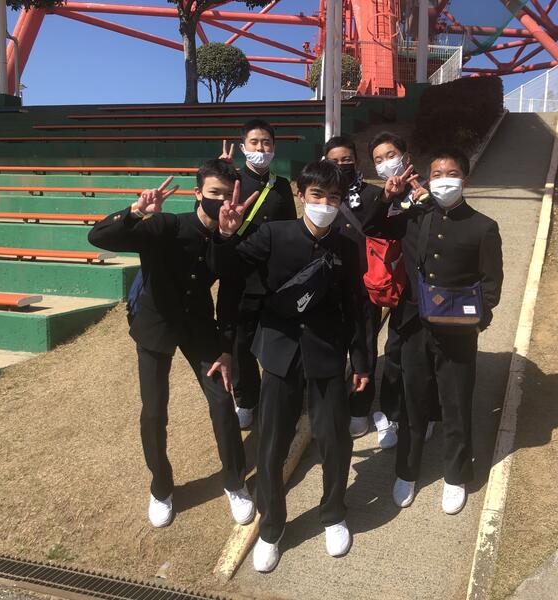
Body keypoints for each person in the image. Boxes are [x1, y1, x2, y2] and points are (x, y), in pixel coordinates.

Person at [213, 159, 372, 573]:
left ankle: (333, 513)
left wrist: (361, 359)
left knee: (334, 439)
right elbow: (229, 271)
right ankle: (272, 527)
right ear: (300, 195)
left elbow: (357, 304)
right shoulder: (272, 234)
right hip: (280, 352)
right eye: (317, 195)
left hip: (326, 353)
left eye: (333, 198)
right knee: (271, 446)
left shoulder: (347, 244)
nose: (325, 204)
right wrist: (226, 235)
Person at [87, 160, 258, 529]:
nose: (221, 201)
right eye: (213, 193)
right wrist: (135, 212)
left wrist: (226, 347)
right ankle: (161, 487)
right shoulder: (167, 225)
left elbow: (231, 294)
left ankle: (235, 481)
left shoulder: (229, 236)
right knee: (153, 411)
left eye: (227, 195)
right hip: (156, 325)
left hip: (199, 326)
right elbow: (98, 237)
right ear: (198, 193)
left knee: (221, 401)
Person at [364, 147, 504, 515]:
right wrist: (388, 197)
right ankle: (406, 471)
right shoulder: (414, 216)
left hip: (458, 333)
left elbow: (491, 283)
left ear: (465, 180)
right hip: (414, 326)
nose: (444, 180)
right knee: (413, 401)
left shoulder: (483, 226)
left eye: (451, 173)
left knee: (456, 403)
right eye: (437, 174)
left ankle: (456, 474)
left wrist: (477, 320)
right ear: (427, 179)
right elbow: (373, 227)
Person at [217, 119, 297, 430]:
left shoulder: (281, 186)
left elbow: (290, 229)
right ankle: (246, 399)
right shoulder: (230, 180)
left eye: (266, 143)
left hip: (273, 277)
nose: (261, 148)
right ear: (242, 147)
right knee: (241, 342)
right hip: (239, 274)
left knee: (278, 339)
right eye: (254, 142)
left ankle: (279, 397)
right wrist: (220, 172)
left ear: (274, 147)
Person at [322, 135, 401, 446]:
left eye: (347, 159)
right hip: (330, 285)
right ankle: (331, 403)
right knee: (330, 344)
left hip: (366, 285)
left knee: (364, 345)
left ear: (356, 160)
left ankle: (359, 407)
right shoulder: (322, 196)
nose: (342, 165)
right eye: (334, 160)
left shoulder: (374, 194)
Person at [367, 131, 440, 444]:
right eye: (378, 160)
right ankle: (391, 414)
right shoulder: (386, 195)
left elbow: (447, 230)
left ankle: (431, 413)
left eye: (390, 155)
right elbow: (372, 228)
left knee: (431, 354)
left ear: (406, 156)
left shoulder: (431, 188)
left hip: (435, 290)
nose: (386, 163)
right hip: (404, 291)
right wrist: (386, 198)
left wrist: (426, 201)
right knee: (394, 351)